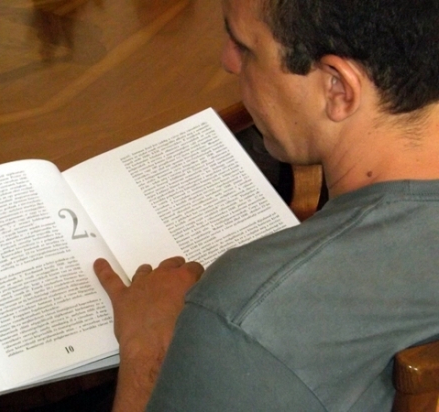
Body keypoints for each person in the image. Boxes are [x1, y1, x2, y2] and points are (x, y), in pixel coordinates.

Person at [94, 0, 439, 410]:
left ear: (338, 89)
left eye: (245, 48)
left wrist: (147, 351)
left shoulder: (247, 315)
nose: (227, 61)